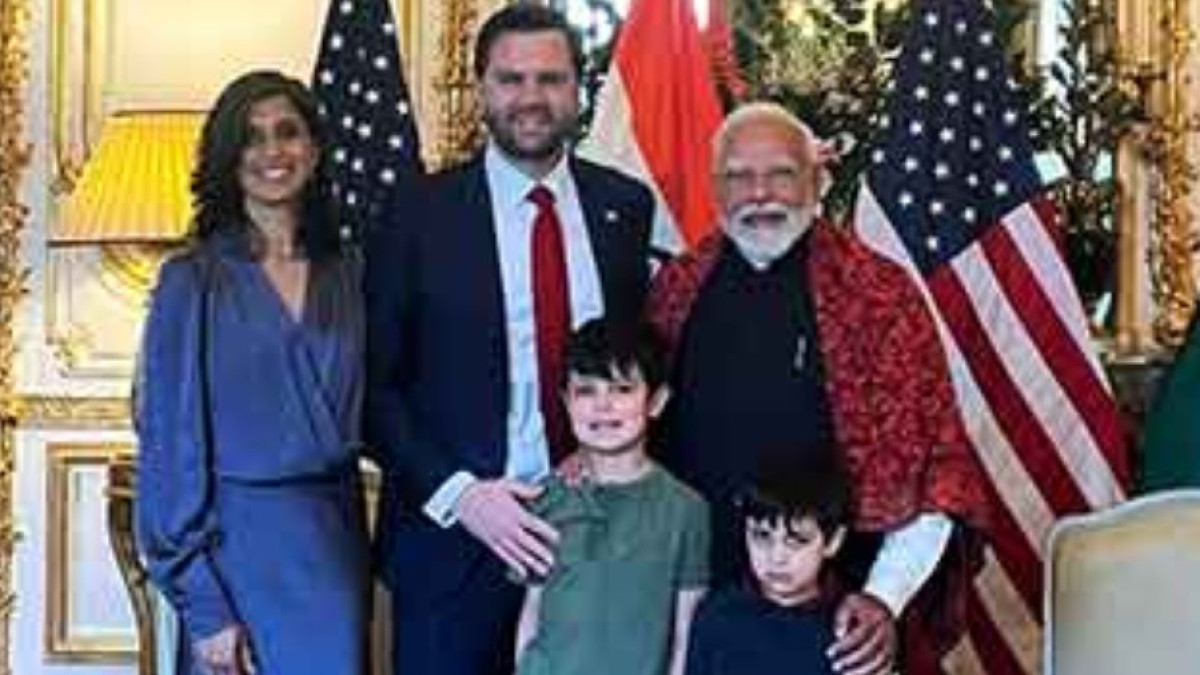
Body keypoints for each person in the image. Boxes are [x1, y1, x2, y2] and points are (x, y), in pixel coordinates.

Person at [646, 102, 990, 675]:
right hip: (700, 608)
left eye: (781, 173)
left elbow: (936, 469)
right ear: (715, 187)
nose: (760, 193)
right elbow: (630, 425)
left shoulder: (878, 294)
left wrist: (884, 597)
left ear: (817, 179)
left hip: (836, 622)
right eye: (739, 176)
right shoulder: (675, 291)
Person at [364, 5, 656, 675]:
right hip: (453, 549)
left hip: (596, 544)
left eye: (550, 79)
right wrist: (461, 495)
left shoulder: (624, 208)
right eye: (511, 79)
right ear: (482, 89)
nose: (531, 98)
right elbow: (374, 391)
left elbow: (637, 368)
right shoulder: (416, 214)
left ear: (578, 88)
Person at [135, 70, 368, 675]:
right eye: (252, 137)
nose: (272, 152)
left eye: (288, 132)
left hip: (335, 551)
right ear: (227, 158)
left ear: (314, 149)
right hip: (236, 557)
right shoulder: (192, 281)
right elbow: (169, 448)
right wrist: (203, 606)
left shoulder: (349, 274)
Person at [514, 318, 709, 675]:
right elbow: (532, 609)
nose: (602, 405)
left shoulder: (686, 509)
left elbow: (684, 632)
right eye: (586, 391)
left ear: (656, 401)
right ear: (566, 402)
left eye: (622, 389)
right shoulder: (545, 497)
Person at [685, 452, 852, 675]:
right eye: (762, 536)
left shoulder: (850, 629)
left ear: (834, 541)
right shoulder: (716, 615)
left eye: (796, 541)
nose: (777, 557)